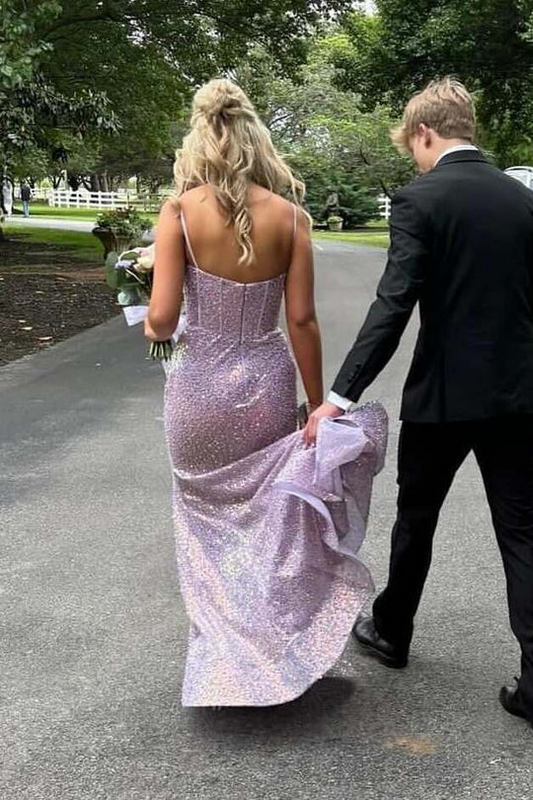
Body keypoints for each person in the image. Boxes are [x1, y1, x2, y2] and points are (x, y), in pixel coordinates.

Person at [145, 79, 387, 707]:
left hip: (199, 388)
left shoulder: (178, 212)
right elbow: (301, 321)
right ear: (257, 138)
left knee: (204, 519)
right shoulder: (291, 217)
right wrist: (318, 405)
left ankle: (223, 662)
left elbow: (162, 322)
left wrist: (148, 302)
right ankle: (273, 651)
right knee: (266, 521)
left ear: (200, 137)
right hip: (266, 383)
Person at [307, 77, 533, 730]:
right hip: (520, 395)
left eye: (411, 145)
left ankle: (392, 630)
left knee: (417, 517)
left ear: (425, 132)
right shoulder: (522, 201)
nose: (413, 156)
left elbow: (392, 306)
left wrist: (339, 396)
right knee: (523, 531)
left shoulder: (419, 199)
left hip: (442, 396)